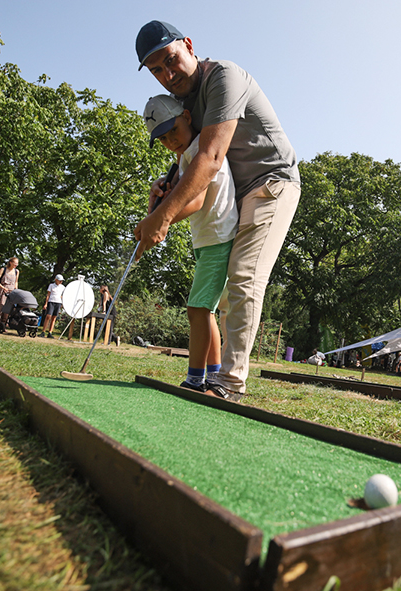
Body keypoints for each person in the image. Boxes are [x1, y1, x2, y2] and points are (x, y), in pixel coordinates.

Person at [135, 21, 301, 401]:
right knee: (224, 299)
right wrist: (167, 181)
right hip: (240, 196)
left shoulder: (224, 77)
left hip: (272, 184)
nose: (167, 74)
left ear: (189, 46)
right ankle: (213, 376)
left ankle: (228, 384)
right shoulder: (185, 103)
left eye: (171, 60)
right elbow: (188, 154)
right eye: (156, 70)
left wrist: (161, 218)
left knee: (244, 278)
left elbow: (209, 158)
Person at [143, 94, 238, 393]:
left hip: (218, 238)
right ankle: (212, 373)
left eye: (174, 130)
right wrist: (158, 191)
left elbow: (195, 201)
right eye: (162, 138)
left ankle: (195, 380)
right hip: (210, 240)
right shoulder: (186, 155)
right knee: (204, 310)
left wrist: (161, 219)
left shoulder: (200, 150)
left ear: (187, 116)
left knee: (197, 309)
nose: (170, 140)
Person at [0, 257, 20, 326]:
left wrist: (16, 290)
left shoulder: (16, 271)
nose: (16, 265)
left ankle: (4, 323)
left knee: (8, 308)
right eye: (15, 263)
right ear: (10, 262)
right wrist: (3, 287)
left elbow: (16, 282)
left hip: (12, 291)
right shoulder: (3, 270)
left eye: (17, 264)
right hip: (3, 290)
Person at [41, 274, 65, 339]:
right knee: (48, 316)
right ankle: (43, 331)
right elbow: (48, 295)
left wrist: (62, 304)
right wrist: (46, 303)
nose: (61, 282)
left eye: (61, 281)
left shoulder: (63, 287)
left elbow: (63, 296)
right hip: (51, 301)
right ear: (56, 280)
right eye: (59, 280)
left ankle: (50, 332)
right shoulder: (51, 285)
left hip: (58, 302)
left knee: (54, 317)